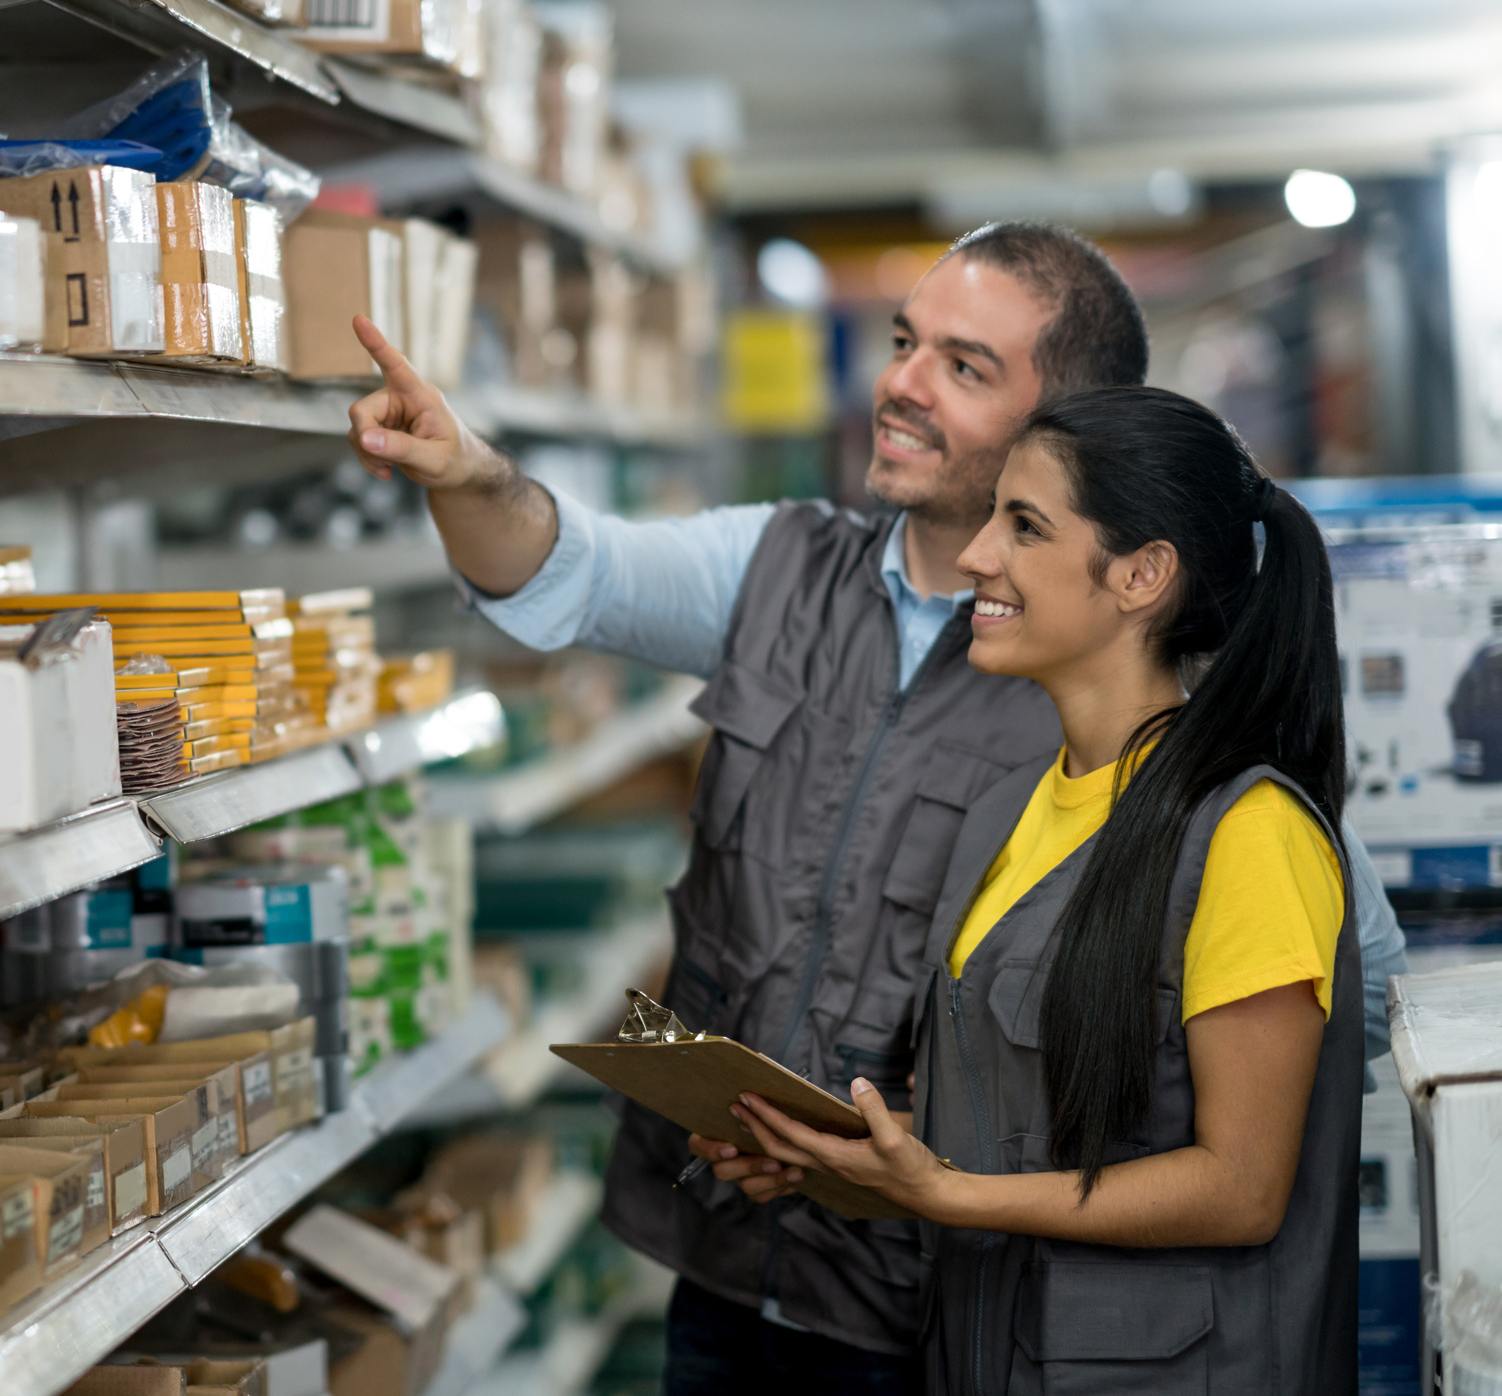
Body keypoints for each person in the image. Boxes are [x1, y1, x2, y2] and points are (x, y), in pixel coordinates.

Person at [343, 221, 1402, 1393]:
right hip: (745, 1250)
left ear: (1071, 424)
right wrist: (468, 473)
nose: (899, 381)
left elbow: (1307, 1032)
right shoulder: (792, 576)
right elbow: (571, 569)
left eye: (963, 365)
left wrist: (977, 1176)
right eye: (905, 342)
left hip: (948, 1308)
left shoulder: (1164, 744)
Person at [727, 386, 1360, 1394]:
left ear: (1142, 574)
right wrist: (847, 1157)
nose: (977, 555)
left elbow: (1241, 1188)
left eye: (1023, 526)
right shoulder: (1009, 812)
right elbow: (1018, 1115)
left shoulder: (1248, 834)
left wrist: (950, 1195)